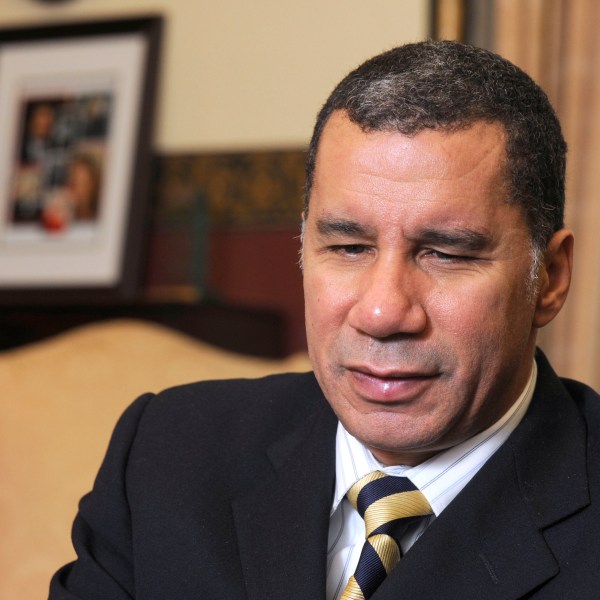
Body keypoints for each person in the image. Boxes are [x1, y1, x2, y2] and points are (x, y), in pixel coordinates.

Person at [49, 40, 600, 599]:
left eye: (447, 253)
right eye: (348, 246)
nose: (383, 313)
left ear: (549, 279)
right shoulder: (165, 455)